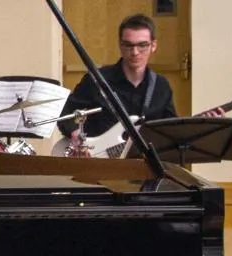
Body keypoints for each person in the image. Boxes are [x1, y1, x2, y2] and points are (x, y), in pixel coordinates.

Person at [57, 13, 221, 153]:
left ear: (153, 45)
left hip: (142, 165)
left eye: (142, 45)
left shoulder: (160, 86)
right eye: (128, 45)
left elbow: (171, 130)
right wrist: (74, 133)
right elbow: (65, 112)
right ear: (120, 45)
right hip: (97, 164)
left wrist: (201, 125)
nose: (135, 52)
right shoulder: (97, 80)